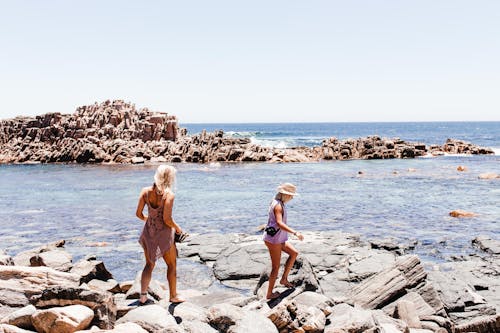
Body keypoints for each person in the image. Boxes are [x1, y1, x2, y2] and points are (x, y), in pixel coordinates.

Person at [136, 165, 184, 304]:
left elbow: (138, 214)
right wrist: (178, 227)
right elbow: (167, 220)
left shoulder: (145, 192)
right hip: (164, 235)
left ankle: (143, 296)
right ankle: (173, 296)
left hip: (149, 232)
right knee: (172, 265)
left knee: (149, 264)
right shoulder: (169, 195)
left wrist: (150, 220)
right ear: (170, 178)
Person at [263, 183, 304, 300]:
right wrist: (295, 233)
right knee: (275, 267)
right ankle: (269, 294)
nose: (292, 198)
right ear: (285, 195)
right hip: (274, 240)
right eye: (291, 195)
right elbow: (280, 224)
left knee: (294, 253)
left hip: (278, 238)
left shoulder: (277, 202)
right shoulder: (278, 206)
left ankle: (284, 279)